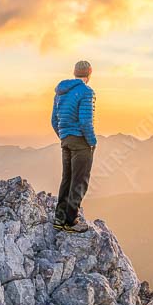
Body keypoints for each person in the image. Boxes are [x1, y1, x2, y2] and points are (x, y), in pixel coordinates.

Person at [51, 60, 97, 232]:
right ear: (89, 74)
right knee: (79, 181)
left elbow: (54, 120)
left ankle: (59, 218)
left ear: (74, 73)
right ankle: (71, 222)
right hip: (81, 141)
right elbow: (86, 121)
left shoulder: (61, 92)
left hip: (66, 140)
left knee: (67, 179)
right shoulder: (86, 92)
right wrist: (92, 142)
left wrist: (64, 136)